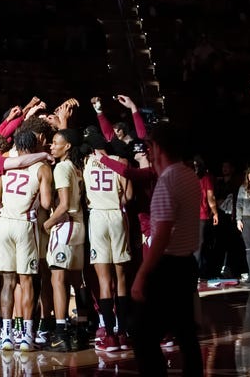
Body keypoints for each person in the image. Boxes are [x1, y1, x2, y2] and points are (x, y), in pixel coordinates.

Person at [131, 123, 203, 377]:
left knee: (142, 334)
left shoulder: (167, 182)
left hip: (168, 266)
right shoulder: (189, 176)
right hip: (187, 263)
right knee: (186, 335)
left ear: (157, 148)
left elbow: (161, 235)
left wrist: (142, 274)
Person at [0, 130, 53, 351]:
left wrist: (2, 214)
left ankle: (7, 335)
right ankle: (28, 336)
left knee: (7, 282)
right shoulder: (42, 168)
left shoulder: (5, 164)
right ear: (36, 145)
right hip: (25, 224)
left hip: (4, 223)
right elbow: (46, 204)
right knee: (27, 281)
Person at [84, 134, 132, 352]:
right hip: (116, 216)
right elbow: (128, 196)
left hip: (97, 217)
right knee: (121, 278)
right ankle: (123, 333)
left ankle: (109, 336)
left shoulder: (86, 161)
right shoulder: (119, 162)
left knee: (104, 281)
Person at [43, 129, 87, 352]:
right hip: (79, 225)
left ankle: (60, 334)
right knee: (77, 280)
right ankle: (82, 329)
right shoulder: (77, 167)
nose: (51, 146)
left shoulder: (61, 167)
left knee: (58, 280)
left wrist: (48, 224)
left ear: (67, 146)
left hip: (65, 226)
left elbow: (63, 205)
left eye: (55, 142)